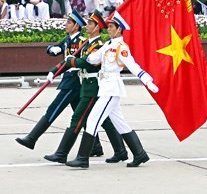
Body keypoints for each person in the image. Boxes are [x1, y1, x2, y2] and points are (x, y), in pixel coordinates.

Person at [66, 12, 158, 168]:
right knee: (120, 123)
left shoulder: (121, 48)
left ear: (119, 30)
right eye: (108, 26)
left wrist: (147, 81)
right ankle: (139, 153)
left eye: (111, 27)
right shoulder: (108, 45)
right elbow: (93, 58)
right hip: (105, 86)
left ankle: (82, 158)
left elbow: (133, 66)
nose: (108, 29)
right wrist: (77, 59)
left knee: (93, 120)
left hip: (112, 88)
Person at [44, 10, 128, 165]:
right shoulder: (87, 43)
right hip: (87, 85)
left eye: (90, 23)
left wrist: (72, 62)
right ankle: (121, 151)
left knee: (78, 118)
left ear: (97, 27)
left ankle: (62, 153)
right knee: (106, 120)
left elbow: (89, 62)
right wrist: (56, 70)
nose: (86, 26)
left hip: (93, 85)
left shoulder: (98, 45)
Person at [15, 11, 95, 151]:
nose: (66, 25)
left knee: (54, 108)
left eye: (69, 23)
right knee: (82, 115)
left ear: (76, 26)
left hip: (74, 81)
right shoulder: (67, 40)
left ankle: (32, 138)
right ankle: (96, 146)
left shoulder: (82, 40)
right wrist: (52, 50)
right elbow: (54, 49)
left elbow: (80, 62)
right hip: (68, 79)